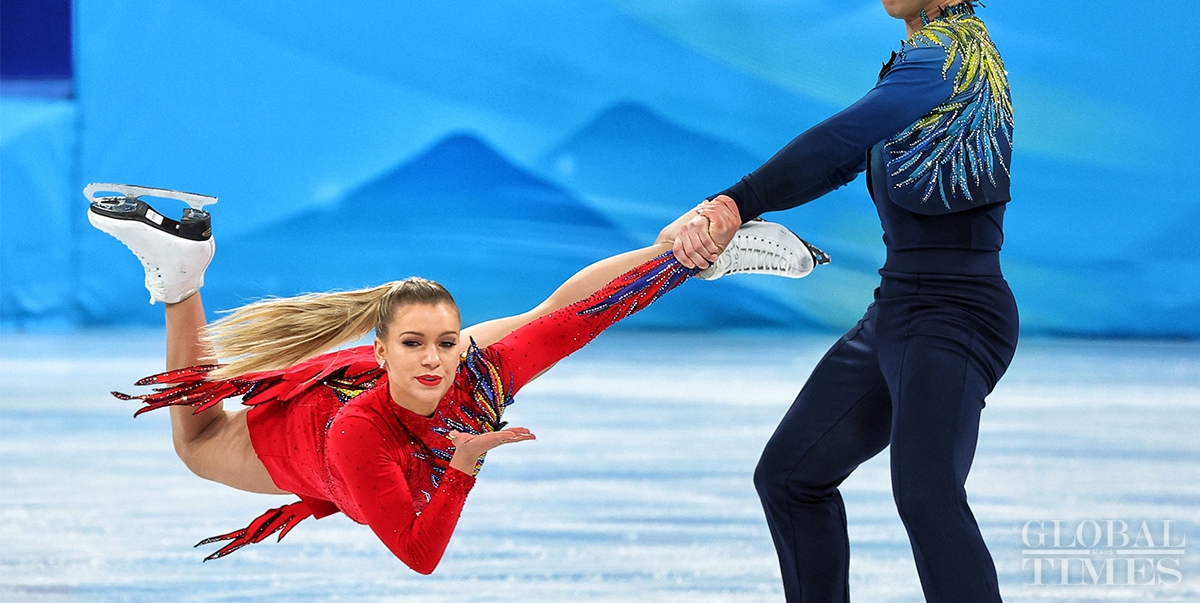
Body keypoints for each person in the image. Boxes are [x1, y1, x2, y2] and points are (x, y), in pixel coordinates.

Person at [88, 184, 824, 573]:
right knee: (198, 443)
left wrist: (679, 260)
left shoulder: (474, 373)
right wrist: (461, 464)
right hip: (337, 426)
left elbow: (584, 317)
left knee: (198, 445)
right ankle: (180, 275)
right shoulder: (382, 424)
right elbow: (418, 549)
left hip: (359, 420)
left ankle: (180, 273)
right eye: (418, 344)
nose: (439, 358)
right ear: (381, 350)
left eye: (448, 343)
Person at [671, 0, 1017, 602]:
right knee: (790, 478)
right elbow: (843, 159)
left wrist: (736, 200)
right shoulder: (920, 60)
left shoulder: (954, 56)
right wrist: (742, 205)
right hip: (900, 311)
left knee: (927, 496)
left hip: (956, 315)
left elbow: (844, 135)